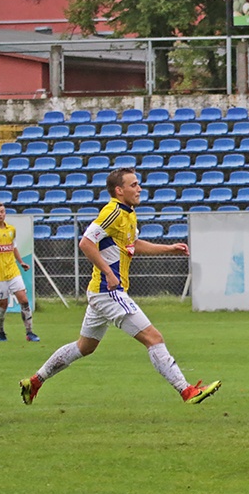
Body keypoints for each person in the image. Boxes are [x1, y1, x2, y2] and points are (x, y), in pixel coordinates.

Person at [19, 167, 221, 405]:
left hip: (100, 292)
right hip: (108, 292)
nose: (139, 188)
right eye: (133, 184)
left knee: (85, 346)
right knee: (153, 338)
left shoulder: (128, 213)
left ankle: (34, 381)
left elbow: (132, 244)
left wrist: (168, 248)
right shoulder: (112, 212)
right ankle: (186, 391)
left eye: (138, 184)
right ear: (119, 190)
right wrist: (107, 272)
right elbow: (86, 243)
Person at [0, 202, 39, 342]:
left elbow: (13, 247)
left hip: (13, 271)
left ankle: (29, 332)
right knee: (3, 304)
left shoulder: (11, 229)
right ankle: (0, 330)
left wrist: (21, 262)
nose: (0, 214)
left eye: (2, 211)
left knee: (24, 300)